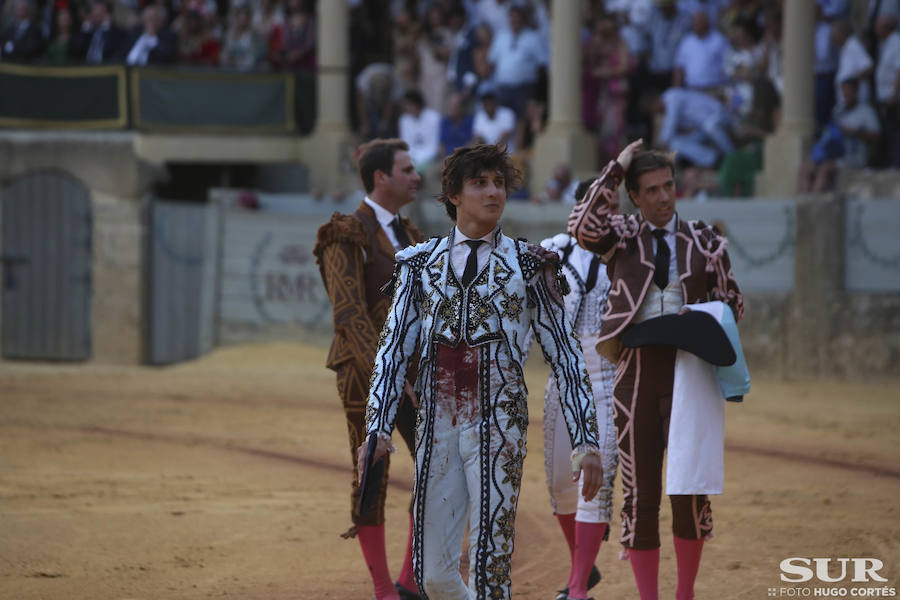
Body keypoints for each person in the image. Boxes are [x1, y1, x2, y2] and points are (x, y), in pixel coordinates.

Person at [360, 143, 604, 600]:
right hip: (438, 425)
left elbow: (567, 356)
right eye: (480, 183)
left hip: (499, 425)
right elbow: (392, 351)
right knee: (433, 576)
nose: (493, 192)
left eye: (498, 183)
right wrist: (376, 428)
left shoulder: (531, 265)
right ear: (453, 194)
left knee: (493, 570)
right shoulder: (419, 266)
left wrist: (586, 440)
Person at [568, 139, 744, 600]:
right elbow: (582, 226)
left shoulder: (705, 240)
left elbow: (734, 302)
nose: (664, 197)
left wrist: (705, 315)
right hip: (638, 375)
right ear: (635, 196)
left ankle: (684, 594)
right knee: (642, 497)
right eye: (652, 190)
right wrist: (616, 166)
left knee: (689, 494)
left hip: (692, 375)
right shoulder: (622, 236)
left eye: (669, 186)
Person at [313, 139, 424, 600]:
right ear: (381, 178)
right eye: (408, 169)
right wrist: (390, 376)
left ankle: (411, 578)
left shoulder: (411, 234)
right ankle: (384, 589)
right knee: (372, 476)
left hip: (418, 377)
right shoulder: (345, 231)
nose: (417, 177)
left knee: (441, 468)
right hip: (366, 374)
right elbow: (349, 315)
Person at [534, 177, 620, 600]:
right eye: (596, 207)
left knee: (595, 483)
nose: (604, 217)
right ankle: (582, 571)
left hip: (610, 380)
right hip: (563, 381)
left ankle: (576, 587)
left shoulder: (628, 257)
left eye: (611, 208)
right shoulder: (552, 251)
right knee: (560, 486)